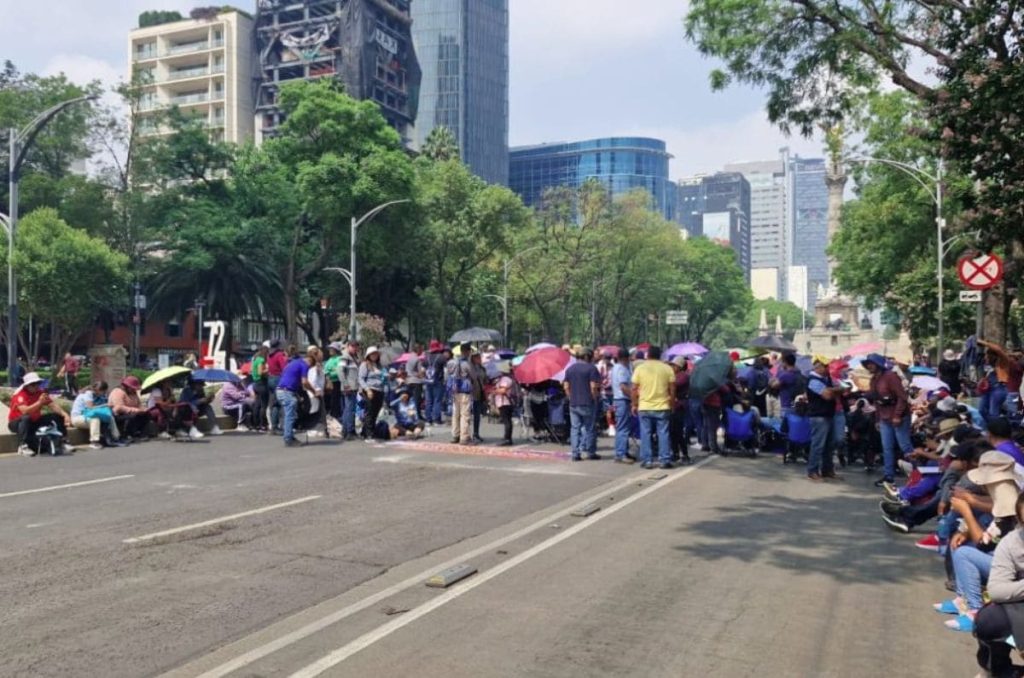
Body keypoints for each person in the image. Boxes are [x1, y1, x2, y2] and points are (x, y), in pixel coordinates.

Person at [973, 492, 1024, 677]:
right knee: (989, 620)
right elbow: (996, 590)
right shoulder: (1012, 542)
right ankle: (998, 670)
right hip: (1019, 603)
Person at [864, 352, 912, 487]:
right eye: (868, 364)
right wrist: (878, 419)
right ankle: (888, 476)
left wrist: (897, 415)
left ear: (878, 365)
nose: (870, 366)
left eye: (872, 364)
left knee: (905, 446)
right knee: (887, 448)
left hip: (899, 417)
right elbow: (876, 401)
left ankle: (919, 472)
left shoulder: (890, 377)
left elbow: (902, 398)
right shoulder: (874, 380)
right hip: (884, 417)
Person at [630, 345, 675, 470]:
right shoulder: (667, 369)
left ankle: (647, 460)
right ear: (660, 355)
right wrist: (672, 403)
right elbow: (672, 388)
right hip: (663, 406)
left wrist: (634, 404)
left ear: (647, 355)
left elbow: (634, 389)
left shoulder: (640, 368)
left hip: (644, 406)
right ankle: (664, 459)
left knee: (646, 433)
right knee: (663, 433)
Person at [8, 372, 73, 456]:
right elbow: (25, 411)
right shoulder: (20, 395)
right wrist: (39, 402)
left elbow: (52, 405)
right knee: (26, 418)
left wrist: (65, 414)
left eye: (37, 384)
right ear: (27, 386)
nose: (36, 386)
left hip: (34, 421)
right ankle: (22, 446)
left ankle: (63, 441)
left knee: (56, 416)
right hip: (17, 423)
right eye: (33, 385)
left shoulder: (40, 393)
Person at [806, 355, 843, 481]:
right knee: (818, 445)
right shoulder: (813, 380)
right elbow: (827, 395)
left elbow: (837, 391)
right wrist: (836, 390)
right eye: (826, 366)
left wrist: (833, 390)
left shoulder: (826, 379)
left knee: (829, 445)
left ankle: (828, 470)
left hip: (828, 414)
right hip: (818, 416)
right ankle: (813, 471)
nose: (828, 368)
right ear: (818, 367)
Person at [563, 347, 602, 462]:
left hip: (574, 403)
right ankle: (590, 452)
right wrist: (594, 397)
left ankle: (575, 454)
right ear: (587, 357)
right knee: (589, 428)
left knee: (575, 428)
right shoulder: (591, 368)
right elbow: (593, 386)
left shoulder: (570, 369)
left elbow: (566, 386)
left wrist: (570, 397)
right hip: (587, 402)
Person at [977, 339, 1023, 422]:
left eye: (987, 355)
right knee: (981, 410)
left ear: (992, 356)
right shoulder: (990, 364)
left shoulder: (1003, 362)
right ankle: (992, 427)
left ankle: (996, 430)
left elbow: (998, 350)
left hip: (999, 388)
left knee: (993, 413)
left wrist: (984, 343)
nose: (985, 357)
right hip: (989, 390)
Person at [71, 381, 123, 449]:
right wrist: (105, 405)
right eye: (103, 392)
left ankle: (116, 437)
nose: (104, 393)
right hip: (78, 417)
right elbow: (90, 408)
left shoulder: (97, 395)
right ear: (100, 390)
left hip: (87, 415)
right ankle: (94, 442)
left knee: (110, 417)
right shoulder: (88, 394)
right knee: (95, 419)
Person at [277, 348, 310, 448]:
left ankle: (289, 436)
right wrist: (313, 391)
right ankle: (288, 438)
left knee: (289, 414)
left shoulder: (291, 364)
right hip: (287, 391)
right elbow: (304, 382)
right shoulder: (304, 365)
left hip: (282, 390)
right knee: (290, 415)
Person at [610, 348, 635, 464]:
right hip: (622, 400)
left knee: (622, 427)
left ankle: (623, 451)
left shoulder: (616, 368)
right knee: (623, 428)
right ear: (625, 358)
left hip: (619, 400)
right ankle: (621, 453)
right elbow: (623, 387)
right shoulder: (622, 369)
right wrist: (633, 397)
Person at [447, 343, 474, 445]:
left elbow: (448, 375)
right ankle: (464, 436)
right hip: (465, 390)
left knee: (455, 414)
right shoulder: (467, 364)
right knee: (465, 414)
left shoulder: (451, 362)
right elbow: (473, 376)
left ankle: (455, 435)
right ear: (467, 351)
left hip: (454, 390)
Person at [359, 346, 387, 440]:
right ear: (368, 355)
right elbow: (361, 379)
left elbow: (383, 377)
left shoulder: (379, 366)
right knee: (369, 412)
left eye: (376, 354)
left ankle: (365, 431)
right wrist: (367, 389)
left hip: (380, 390)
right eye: (372, 354)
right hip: (370, 389)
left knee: (375, 412)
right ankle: (369, 434)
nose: (374, 355)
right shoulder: (365, 364)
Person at [669, 357, 692, 464]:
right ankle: (675, 453)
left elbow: (674, 385)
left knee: (678, 431)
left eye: (674, 365)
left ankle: (685, 454)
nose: (672, 367)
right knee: (672, 431)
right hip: (673, 405)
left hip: (679, 406)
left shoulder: (683, 376)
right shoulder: (674, 375)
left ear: (680, 366)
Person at [338, 340, 361, 440]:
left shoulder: (353, 358)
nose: (354, 348)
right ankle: (350, 432)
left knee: (347, 409)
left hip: (353, 386)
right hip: (349, 387)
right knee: (350, 410)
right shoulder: (345, 357)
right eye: (352, 346)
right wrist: (345, 385)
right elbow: (340, 371)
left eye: (356, 346)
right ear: (348, 346)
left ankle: (345, 431)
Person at [303, 345, 326, 437]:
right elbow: (312, 381)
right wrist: (316, 390)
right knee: (313, 410)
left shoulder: (318, 366)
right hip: (314, 392)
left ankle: (315, 428)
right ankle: (311, 428)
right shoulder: (313, 368)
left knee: (317, 411)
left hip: (318, 391)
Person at [266, 339, 288, 434]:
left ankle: (274, 426)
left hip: (270, 378)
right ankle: (276, 427)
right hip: (278, 378)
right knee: (279, 403)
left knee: (273, 403)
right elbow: (284, 367)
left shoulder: (269, 355)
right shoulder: (279, 355)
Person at [492, 365, 518, 446]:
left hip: (505, 402)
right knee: (507, 420)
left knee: (507, 421)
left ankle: (507, 439)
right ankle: (507, 438)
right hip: (506, 402)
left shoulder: (505, 379)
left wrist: (494, 391)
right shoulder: (509, 379)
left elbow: (503, 390)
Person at [424, 340, 448, 426]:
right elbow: (445, 370)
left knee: (428, 400)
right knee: (437, 400)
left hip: (428, 380)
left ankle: (428, 419)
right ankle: (436, 419)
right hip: (438, 380)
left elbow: (423, 369)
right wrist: (445, 381)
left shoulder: (426, 357)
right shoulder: (442, 357)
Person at [250, 343, 270, 432]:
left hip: (255, 383)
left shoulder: (255, 359)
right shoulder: (261, 360)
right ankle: (263, 425)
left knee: (257, 405)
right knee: (263, 405)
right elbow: (260, 372)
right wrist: (268, 370)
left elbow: (253, 371)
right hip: (261, 383)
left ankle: (255, 424)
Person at [469, 350, 488, 443]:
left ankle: (476, 433)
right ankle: (467, 434)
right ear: (473, 358)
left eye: (480, 357)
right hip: (472, 393)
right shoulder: (470, 367)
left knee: (477, 415)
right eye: (477, 357)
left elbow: (485, 378)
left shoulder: (481, 368)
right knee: (469, 415)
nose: (479, 359)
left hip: (480, 393)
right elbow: (471, 378)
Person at [404, 342, 426, 420]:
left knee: (409, 400)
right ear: (418, 349)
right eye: (421, 349)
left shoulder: (409, 358)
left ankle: (409, 415)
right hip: (416, 381)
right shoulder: (417, 359)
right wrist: (423, 372)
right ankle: (418, 415)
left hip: (409, 380)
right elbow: (420, 373)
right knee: (417, 400)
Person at [323, 342, 343, 423]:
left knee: (335, 400)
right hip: (328, 382)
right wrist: (329, 372)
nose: (330, 350)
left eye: (332, 349)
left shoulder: (339, 359)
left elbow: (338, 371)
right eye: (330, 349)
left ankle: (335, 416)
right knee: (329, 400)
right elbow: (325, 370)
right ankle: (331, 415)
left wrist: (329, 372)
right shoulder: (329, 360)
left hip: (336, 382)